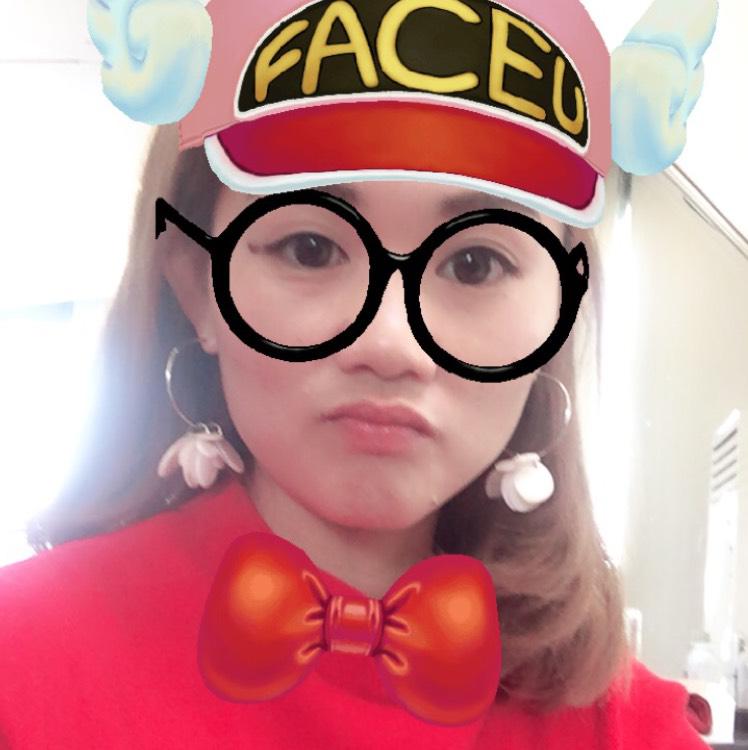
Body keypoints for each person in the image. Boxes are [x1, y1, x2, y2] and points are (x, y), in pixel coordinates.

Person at [0, 0, 714, 747]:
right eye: (310, 248)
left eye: (475, 263)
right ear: (196, 286)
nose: (391, 341)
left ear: (564, 309)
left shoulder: (636, 730)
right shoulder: (18, 672)